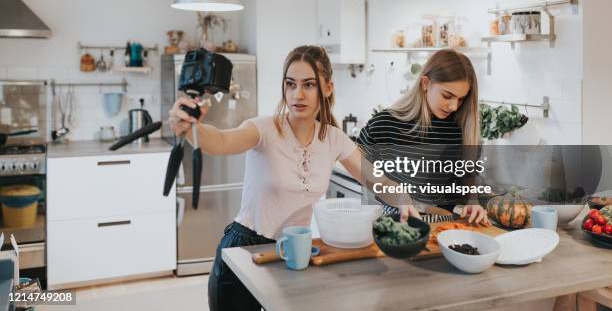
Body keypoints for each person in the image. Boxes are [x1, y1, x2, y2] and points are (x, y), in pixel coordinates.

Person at [169, 45, 367, 311]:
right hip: (244, 250)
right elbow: (222, 141)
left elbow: (374, 177)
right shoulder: (264, 128)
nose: (298, 94)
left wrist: (404, 202)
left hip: (293, 253)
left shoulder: (333, 138)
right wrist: (190, 128)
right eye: (290, 84)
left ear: (328, 88)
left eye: (309, 85)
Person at [357, 49, 490, 225]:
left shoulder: (461, 129)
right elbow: (357, 161)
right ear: (425, 83)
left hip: (443, 224)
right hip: (395, 221)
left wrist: (473, 202)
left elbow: (466, 178)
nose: (453, 106)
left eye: (461, 99)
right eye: (447, 96)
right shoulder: (387, 122)